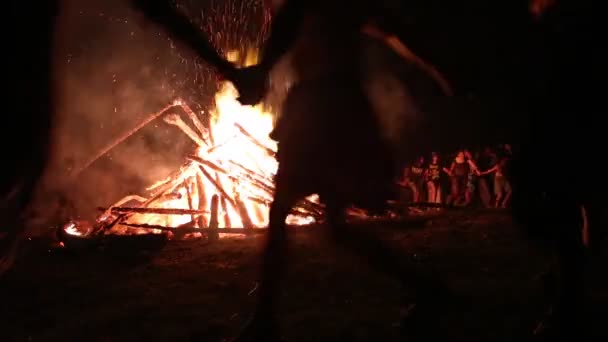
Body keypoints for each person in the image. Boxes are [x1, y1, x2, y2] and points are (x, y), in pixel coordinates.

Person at [229, 0, 450, 340]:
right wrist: (437, 70)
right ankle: (423, 285)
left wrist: (262, 71)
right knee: (331, 225)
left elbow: (388, 28)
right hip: (331, 107)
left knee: (286, 214)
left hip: (326, 108)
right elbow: (391, 29)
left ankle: (265, 320)